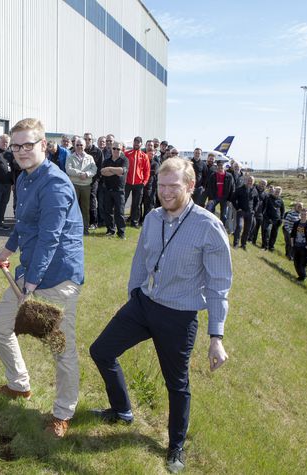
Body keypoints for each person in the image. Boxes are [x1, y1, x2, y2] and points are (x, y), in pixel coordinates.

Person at [89, 157, 231, 473]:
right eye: (161, 185)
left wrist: (216, 337)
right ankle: (122, 410)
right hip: (143, 305)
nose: (165, 192)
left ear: (191, 186)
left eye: (173, 186)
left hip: (178, 317)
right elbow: (141, 260)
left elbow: (220, 285)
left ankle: (175, 447)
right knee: (101, 351)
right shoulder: (153, 218)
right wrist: (134, 295)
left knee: (176, 385)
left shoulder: (209, 227)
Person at [0, 117, 84, 439]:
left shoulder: (55, 183)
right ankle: (19, 385)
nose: (21, 151)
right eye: (16, 146)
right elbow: (24, 223)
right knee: (0, 326)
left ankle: (63, 412)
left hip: (58, 278)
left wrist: (30, 285)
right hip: (30, 273)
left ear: (44, 145)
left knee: (60, 346)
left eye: (29, 145)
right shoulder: (25, 179)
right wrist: (7, 249)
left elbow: (49, 238)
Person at [66, 137, 97, 235]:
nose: (79, 147)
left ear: (85, 146)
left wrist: (87, 174)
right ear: (75, 146)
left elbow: (94, 169)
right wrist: (81, 174)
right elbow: (68, 169)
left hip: (86, 186)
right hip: (74, 185)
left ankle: (85, 229)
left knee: (85, 208)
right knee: (73, 208)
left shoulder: (90, 158)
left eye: (81, 145)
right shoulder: (70, 157)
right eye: (77, 145)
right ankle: (72, 229)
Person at [101, 141, 128, 239]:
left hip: (119, 190)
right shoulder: (106, 160)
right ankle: (110, 230)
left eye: (118, 149)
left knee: (119, 212)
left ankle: (121, 233)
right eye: (114, 148)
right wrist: (115, 171)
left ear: (121, 150)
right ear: (111, 149)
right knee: (108, 211)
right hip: (108, 189)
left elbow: (122, 171)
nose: (116, 150)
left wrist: (110, 169)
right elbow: (103, 172)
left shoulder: (124, 160)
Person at [124, 136, 150, 228]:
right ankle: (118, 220)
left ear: (141, 144)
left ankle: (134, 222)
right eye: (135, 142)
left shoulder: (144, 156)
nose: (136, 144)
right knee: (122, 202)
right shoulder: (127, 154)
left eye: (138, 142)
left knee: (136, 204)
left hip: (139, 184)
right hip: (127, 182)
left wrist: (144, 182)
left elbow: (147, 171)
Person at [205, 159, 235, 229]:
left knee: (223, 214)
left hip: (224, 198)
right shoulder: (213, 175)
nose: (220, 168)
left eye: (221, 167)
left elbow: (232, 188)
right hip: (214, 197)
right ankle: (210, 225)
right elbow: (209, 187)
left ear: (224, 167)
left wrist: (229, 199)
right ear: (217, 167)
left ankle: (222, 227)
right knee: (209, 210)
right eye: (218, 167)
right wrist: (211, 199)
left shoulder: (229, 176)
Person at [231, 175, 258, 249]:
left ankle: (243, 245)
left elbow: (257, 201)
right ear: (246, 181)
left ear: (253, 182)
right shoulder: (239, 189)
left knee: (247, 229)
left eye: (251, 181)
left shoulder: (255, 190)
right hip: (241, 211)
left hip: (250, 213)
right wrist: (237, 208)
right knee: (239, 226)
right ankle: (236, 244)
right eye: (248, 180)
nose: (250, 182)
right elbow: (233, 199)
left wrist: (254, 210)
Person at [83, 132, 104, 230]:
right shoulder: (81, 150)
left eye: (89, 139)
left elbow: (100, 167)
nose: (87, 141)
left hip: (93, 180)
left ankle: (93, 222)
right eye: (85, 139)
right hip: (82, 180)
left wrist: (96, 180)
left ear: (92, 140)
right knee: (82, 200)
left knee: (92, 200)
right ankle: (84, 221)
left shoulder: (98, 151)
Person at [290, 208, 307, 281]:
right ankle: (300, 276)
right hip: (296, 246)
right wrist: (292, 245)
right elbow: (292, 234)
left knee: (303, 263)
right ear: (300, 214)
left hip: (304, 248)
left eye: (305, 214)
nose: (303, 216)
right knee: (296, 263)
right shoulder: (296, 223)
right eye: (302, 214)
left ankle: (303, 277)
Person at [261, 186, 284, 252]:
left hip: (277, 220)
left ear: (280, 193)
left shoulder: (281, 200)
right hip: (268, 219)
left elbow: (282, 210)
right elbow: (264, 209)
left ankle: (271, 247)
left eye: (279, 192)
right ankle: (265, 246)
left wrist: (281, 219)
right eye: (276, 191)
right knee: (266, 233)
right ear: (274, 191)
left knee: (274, 234)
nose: (277, 193)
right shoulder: (268, 198)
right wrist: (267, 218)